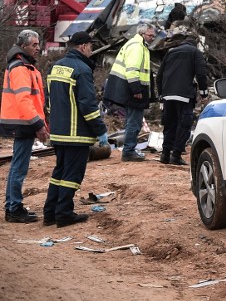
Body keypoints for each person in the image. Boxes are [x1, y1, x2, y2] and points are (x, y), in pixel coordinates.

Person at [43, 31, 107, 228]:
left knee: (59, 173)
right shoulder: (81, 69)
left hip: (59, 132)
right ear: (83, 47)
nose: (92, 50)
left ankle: (50, 213)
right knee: (72, 176)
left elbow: (49, 101)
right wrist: (100, 130)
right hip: (76, 133)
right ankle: (64, 213)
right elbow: (88, 105)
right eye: (90, 46)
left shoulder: (56, 67)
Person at [2, 29, 49, 223]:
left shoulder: (25, 66)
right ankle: (14, 208)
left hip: (22, 121)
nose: (37, 48)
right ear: (23, 46)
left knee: (17, 166)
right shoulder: (21, 67)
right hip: (23, 122)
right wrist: (38, 124)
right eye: (34, 45)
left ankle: (12, 206)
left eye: (38, 44)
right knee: (19, 167)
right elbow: (23, 99)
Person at [103, 22, 157, 162]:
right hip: (133, 90)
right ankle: (129, 151)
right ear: (142, 34)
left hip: (129, 89)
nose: (153, 38)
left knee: (132, 121)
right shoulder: (137, 47)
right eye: (150, 35)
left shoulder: (136, 45)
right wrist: (136, 90)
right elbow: (132, 70)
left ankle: (129, 149)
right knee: (135, 122)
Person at [156, 23, 208, 166]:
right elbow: (201, 74)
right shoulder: (195, 53)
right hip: (184, 95)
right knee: (183, 125)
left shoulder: (171, 52)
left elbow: (159, 76)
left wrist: (161, 95)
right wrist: (204, 94)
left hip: (167, 95)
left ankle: (165, 155)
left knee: (169, 125)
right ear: (195, 44)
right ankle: (176, 155)